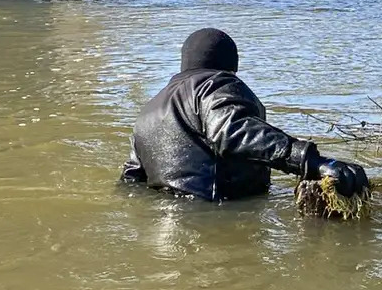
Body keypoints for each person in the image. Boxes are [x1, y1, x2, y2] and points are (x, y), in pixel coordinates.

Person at [121, 27, 368, 202]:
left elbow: (131, 180)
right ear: (231, 66)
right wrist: (311, 162)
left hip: (166, 231)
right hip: (216, 221)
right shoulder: (214, 85)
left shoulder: (147, 111)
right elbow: (234, 130)